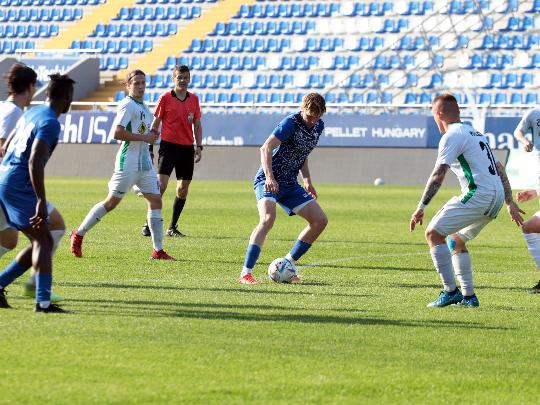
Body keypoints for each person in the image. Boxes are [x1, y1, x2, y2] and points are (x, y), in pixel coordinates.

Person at [410, 93, 524, 307]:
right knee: (456, 239)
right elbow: (499, 168)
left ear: (439, 113)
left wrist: (421, 206)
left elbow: (438, 174)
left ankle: (450, 291)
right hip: (496, 196)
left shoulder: (452, 135)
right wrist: (509, 202)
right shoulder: (476, 133)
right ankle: (469, 297)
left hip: (479, 194)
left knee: (433, 233)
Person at [70, 69, 174, 260]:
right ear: (128, 86)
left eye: (143, 83)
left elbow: (142, 133)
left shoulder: (142, 106)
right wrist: (145, 137)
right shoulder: (127, 105)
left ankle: (157, 250)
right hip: (128, 162)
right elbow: (117, 133)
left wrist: (150, 139)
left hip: (144, 165)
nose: (141, 87)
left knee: (156, 200)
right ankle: (79, 234)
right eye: (137, 83)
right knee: (111, 203)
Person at [0, 73, 74, 312]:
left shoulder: (31, 112)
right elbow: (34, 161)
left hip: (6, 178)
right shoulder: (51, 122)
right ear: (66, 98)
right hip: (18, 185)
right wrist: (40, 200)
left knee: (50, 232)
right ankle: (43, 302)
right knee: (43, 238)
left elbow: (7, 145)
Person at [239, 93, 329, 285]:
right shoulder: (291, 123)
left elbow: (303, 153)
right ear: (303, 109)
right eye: (309, 116)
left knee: (320, 220)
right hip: (268, 179)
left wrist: (307, 180)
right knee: (268, 219)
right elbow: (265, 148)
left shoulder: (318, 126)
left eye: (317, 117)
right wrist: (270, 177)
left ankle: (287, 263)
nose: (313, 121)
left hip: (289, 183)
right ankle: (246, 273)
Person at [140, 64, 202, 238]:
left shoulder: (194, 99)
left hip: (187, 149)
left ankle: (172, 227)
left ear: (189, 79)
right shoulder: (165, 98)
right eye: (179, 77)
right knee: (160, 186)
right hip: (168, 147)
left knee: (183, 188)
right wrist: (150, 146)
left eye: (185, 77)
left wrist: (199, 146)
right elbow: (156, 122)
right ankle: (148, 223)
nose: (182, 80)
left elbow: (197, 124)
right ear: (173, 79)